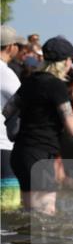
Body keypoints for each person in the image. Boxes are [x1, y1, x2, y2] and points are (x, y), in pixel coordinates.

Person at [3, 36, 73, 214]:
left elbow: (7, 111)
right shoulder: (56, 85)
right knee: (46, 217)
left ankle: (14, 242)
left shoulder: (29, 81)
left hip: (20, 153)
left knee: (29, 215)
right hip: (40, 155)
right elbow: (72, 128)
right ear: (66, 61)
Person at [0, 26, 24, 210]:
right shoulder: (6, 74)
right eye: (18, 45)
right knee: (9, 206)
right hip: (3, 145)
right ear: (9, 47)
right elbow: (24, 102)